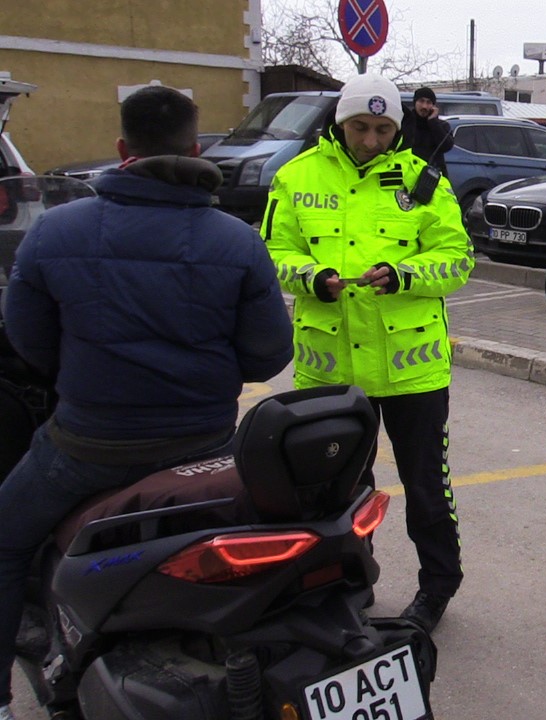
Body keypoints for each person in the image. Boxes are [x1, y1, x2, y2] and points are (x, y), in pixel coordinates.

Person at [0, 85, 293, 720]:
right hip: (207, 449)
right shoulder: (237, 241)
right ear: (195, 148)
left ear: (120, 149)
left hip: (85, 447)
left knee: (5, 537)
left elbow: (27, 340)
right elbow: (269, 356)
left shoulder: (55, 231)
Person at [261, 73, 473, 633]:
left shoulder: (422, 181)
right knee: (337, 491)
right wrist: (312, 277)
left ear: (399, 128)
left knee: (427, 487)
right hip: (330, 368)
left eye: (384, 129)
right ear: (340, 122)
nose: (372, 140)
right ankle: (347, 582)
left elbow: (458, 259)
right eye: (361, 127)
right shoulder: (295, 176)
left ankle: (437, 586)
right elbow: (274, 250)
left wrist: (404, 275)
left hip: (413, 371)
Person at [402, 86, 455, 178]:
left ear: (433, 106)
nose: (424, 106)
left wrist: (432, 122)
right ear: (415, 103)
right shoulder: (405, 123)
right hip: (408, 174)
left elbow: (446, 146)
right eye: (421, 101)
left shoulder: (441, 126)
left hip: (433, 176)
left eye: (428, 102)